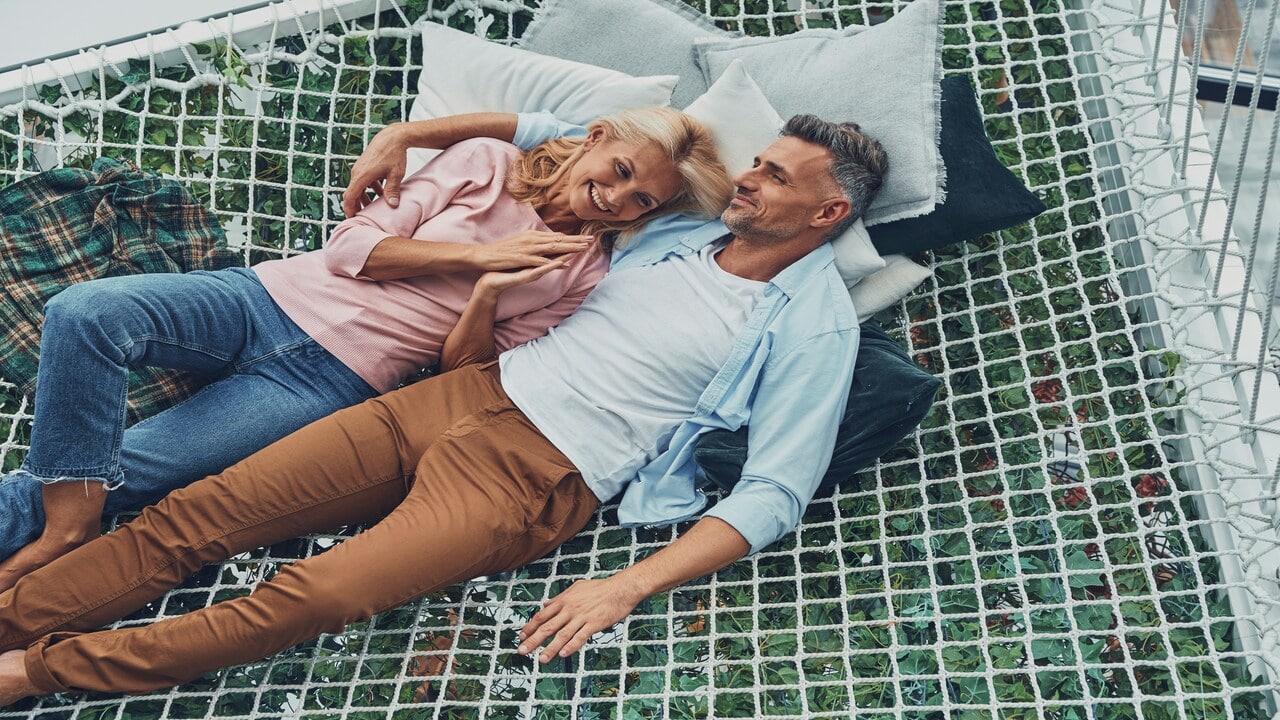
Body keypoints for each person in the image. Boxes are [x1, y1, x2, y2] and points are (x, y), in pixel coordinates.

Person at [0, 113, 888, 703]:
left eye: (773, 177)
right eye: (757, 162)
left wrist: (625, 586)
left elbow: (773, 491)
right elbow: (579, 137)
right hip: (454, 392)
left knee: (312, 594)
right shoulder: (677, 228)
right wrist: (408, 132)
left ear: (827, 210)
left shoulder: (813, 327)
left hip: (537, 476)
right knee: (192, 517)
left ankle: (32, 672)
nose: (746, 180)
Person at [0, 107, 732, 591]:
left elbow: (466, 372)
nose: (616, 197)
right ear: (599, 137)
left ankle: (55, 513)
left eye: (641, 202)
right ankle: (70, 525)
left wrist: (485, 299)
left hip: (330, 386)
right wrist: (476, 262)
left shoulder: (583, 273)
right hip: (261, 301)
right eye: (623, 171)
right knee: (87, 311)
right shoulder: (485, 162)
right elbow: (352, 247)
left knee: (128, 468)